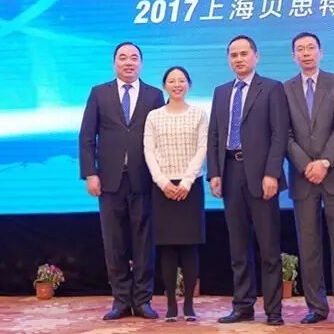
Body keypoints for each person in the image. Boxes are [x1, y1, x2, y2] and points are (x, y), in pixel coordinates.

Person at [207, 35, 289, 326]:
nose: (238, 59)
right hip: (230, 172)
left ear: (256, 56)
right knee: (238, 246)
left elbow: (279, 134)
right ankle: (242, 306)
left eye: (244, 53)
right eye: (233, 55)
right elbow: (214, 135)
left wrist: (272, 173)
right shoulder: (220, 92)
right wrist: (214, 173)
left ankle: (274, 310)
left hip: (261, 175)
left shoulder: (272, 88)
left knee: (268, 247)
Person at [79, 42, 164, 321]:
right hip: (109, 181)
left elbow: (161, 138)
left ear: (141, 63)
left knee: (144, 243)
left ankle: (143, 300)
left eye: (134, 58)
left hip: (144, 179)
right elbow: (87, 137)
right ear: (114, 62)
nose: (128, 62)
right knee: (114, 243)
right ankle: (120, 300)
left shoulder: (154, 95)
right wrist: (90, 173)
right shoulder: (99, 93)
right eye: (123, 58)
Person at [284, 32, 334, 324]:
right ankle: (316, 308)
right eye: (300, 49)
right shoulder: (285, 89)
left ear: (320, 52)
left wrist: (325, 162)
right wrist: (307, 165)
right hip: (303, 177)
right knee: (309, 247)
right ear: (293, 56)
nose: (306, 53)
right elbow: (285, 134)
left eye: (311, 48)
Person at [143, 66, 207, 322]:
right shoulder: (154, 116)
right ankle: (170, 303)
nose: (177, 85)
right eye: (172, 81)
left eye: (181, 80)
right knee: (167, 249)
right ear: (164, 86)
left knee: (190, 248)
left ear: (189, 85)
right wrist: (162, 182)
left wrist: (187, 181)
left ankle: (189, 304)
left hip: (191, 187)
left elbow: (202, 148)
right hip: (163, 188)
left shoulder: (199, 114)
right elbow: (149, 151)